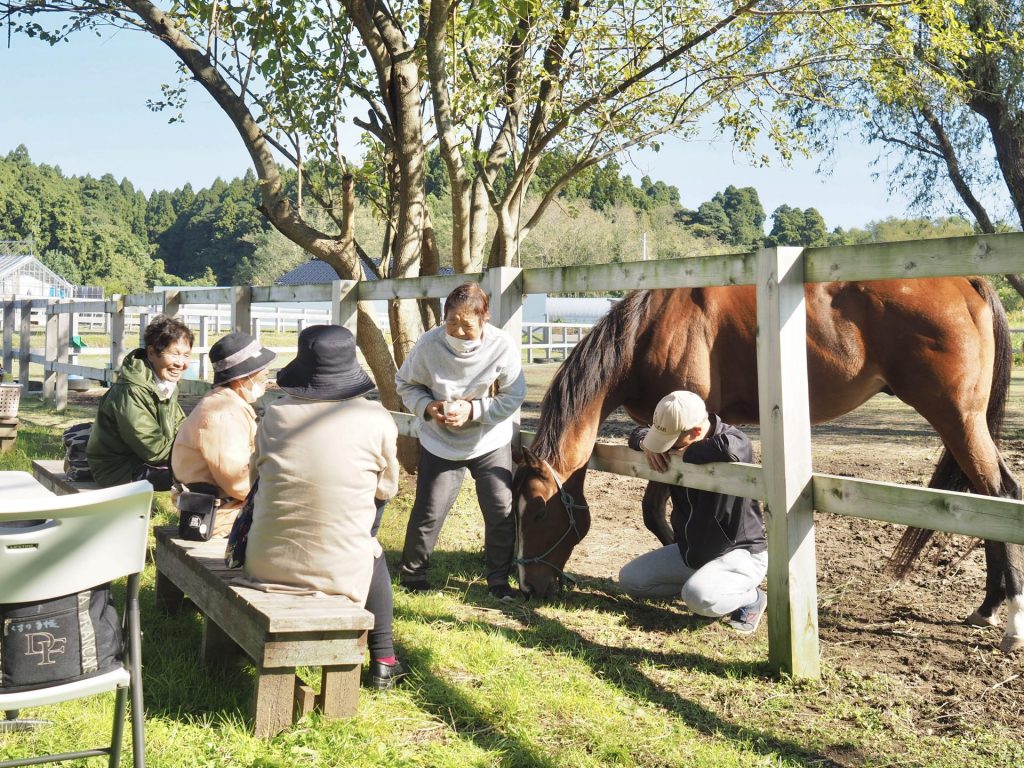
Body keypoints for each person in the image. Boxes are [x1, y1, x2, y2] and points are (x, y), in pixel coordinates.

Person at [240, 325, 405, 689]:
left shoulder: (275, 415)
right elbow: (387, 488)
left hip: (266, 560)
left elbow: (257, 474)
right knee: (370, 546)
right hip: (340, 569)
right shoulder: (375, 418)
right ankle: (384, 658)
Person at [395, 281, 527, 601]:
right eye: (451, 322)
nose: (457, 330)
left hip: (487, 439)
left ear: (485, 319)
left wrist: (475, 410)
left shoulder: (501, 345)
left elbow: (514, 394)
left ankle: (498, 579)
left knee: (500, 509)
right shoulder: (429, 345)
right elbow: (405, 383)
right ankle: (413, 575)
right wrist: (429, 408)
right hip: (440, 440)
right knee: (429, 508)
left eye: (467, 324)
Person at [618, 390, 768, 634]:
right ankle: (704, 586)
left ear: (697, 432)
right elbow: (637, 434)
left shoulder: (732, 440)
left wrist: (688, 454)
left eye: (672, 442)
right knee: (631, 580)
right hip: (690, 552)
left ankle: (750, 597)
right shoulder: (681, 437)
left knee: (698, 597)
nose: (667, 449)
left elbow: (735, 446)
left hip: (738, 553)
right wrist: (649, 444)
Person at [171, 331, 276, 537]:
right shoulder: (223, 415)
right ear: (241, 380)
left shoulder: (226, 404)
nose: (266, 380)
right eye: (262, 375)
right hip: (223, 518)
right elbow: (239, 481)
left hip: (227, 509)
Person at [86, 314, 194, 490]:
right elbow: (154, 449)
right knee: (200, 471)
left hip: (142, 460)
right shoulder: (131, 390)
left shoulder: (164, 382)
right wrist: (196, 451)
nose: (180, 363)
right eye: (175, 354)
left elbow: (182, 425)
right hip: (119, 471)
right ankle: (199, 516)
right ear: (152, 353)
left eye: (186, 355)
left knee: (206, 466)